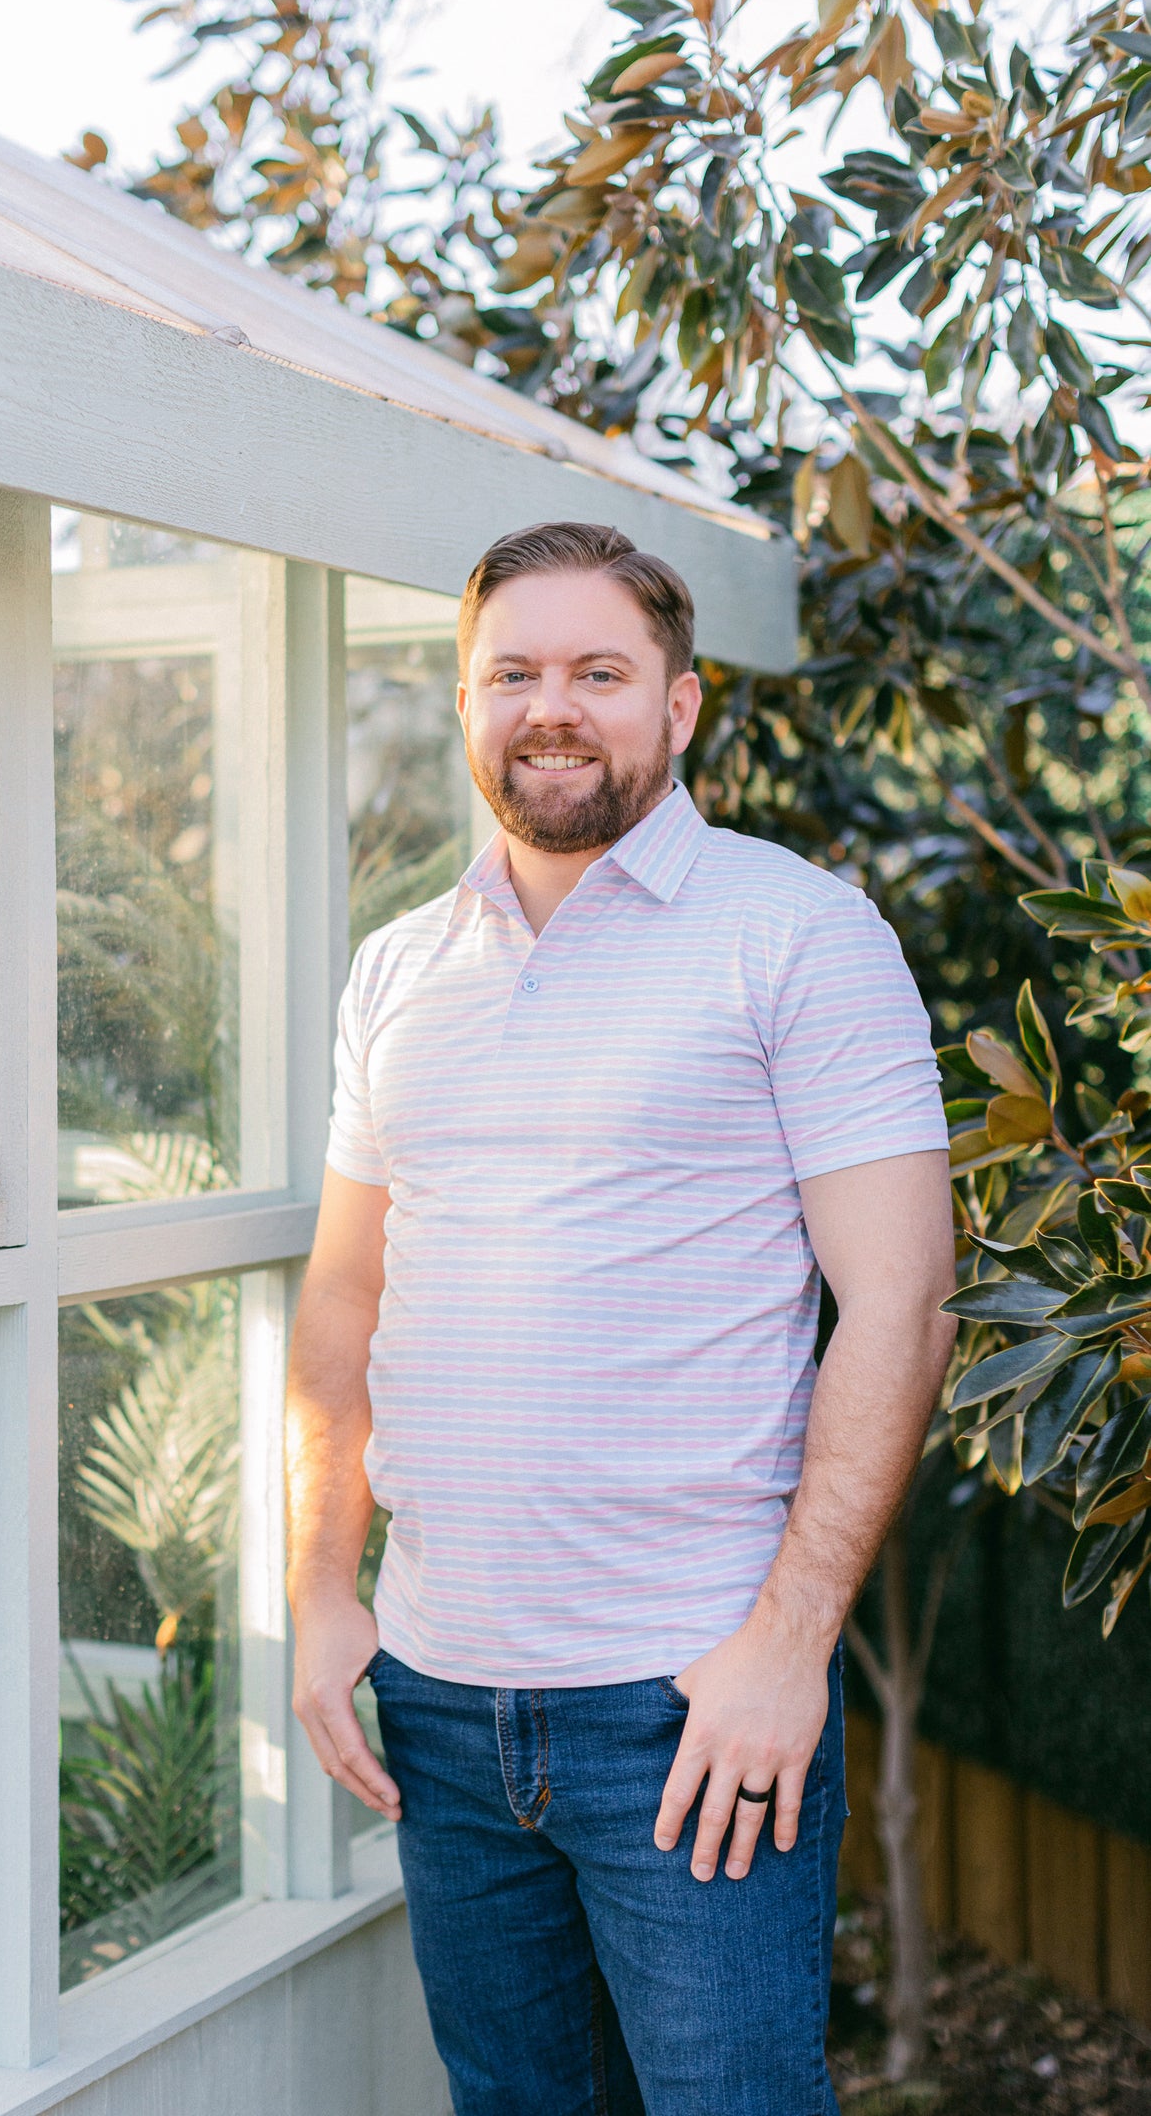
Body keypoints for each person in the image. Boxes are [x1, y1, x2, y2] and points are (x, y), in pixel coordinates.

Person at [286, 521, 956, 2116]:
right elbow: (345, 1294)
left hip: (686, 1700)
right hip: (439, 1704)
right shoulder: (396, 968)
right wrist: (317, 1588)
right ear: (463, 705)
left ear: (681, 706)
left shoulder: (797, 932)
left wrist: (786, 1643)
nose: (551, 706)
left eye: (598, 670)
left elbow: (904, 1302)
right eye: (511, 672)